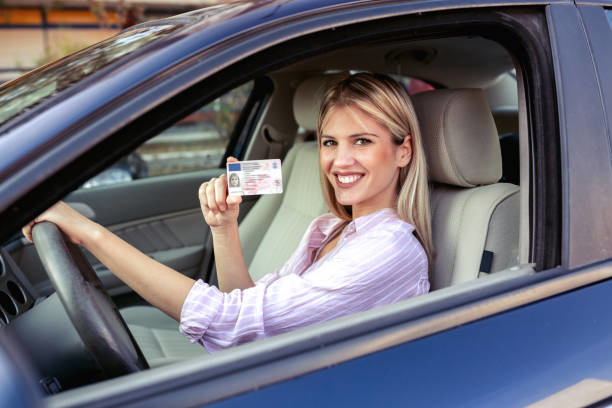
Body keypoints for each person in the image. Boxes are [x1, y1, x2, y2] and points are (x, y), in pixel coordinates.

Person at [22, 73, 432, 353]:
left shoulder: (390, 251)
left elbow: (229, 323)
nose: (339, 161)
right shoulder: (328, 228)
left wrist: (90, 234)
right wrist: (223, 227)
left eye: (361, 141)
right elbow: (250, 311)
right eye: (329, 143)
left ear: (404, 150)